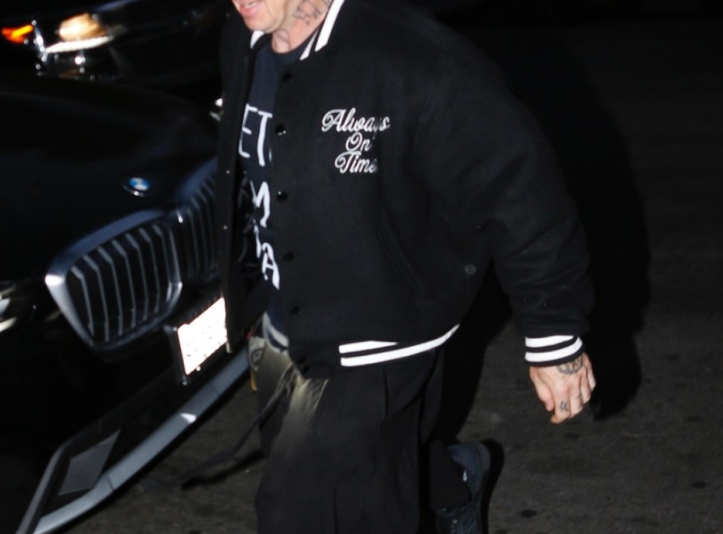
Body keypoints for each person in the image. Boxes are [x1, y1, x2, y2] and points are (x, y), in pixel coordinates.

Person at [212, 0, 597, 532]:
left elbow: (518, 187)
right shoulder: (243, 38)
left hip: (376, 340)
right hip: (282, 326)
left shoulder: (414, 59)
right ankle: (453, 482)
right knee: (365, 465)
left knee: (303, 511)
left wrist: (554, 336)